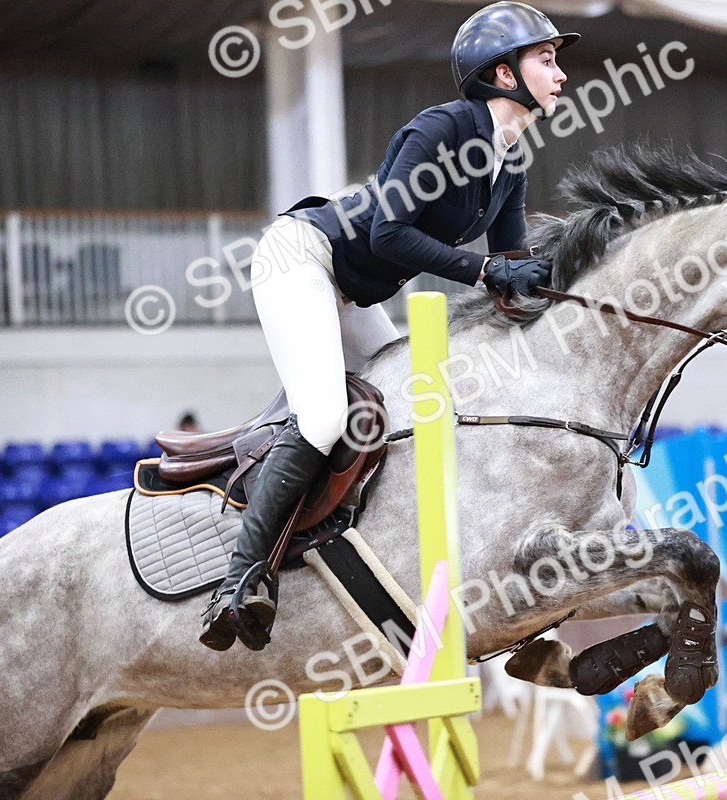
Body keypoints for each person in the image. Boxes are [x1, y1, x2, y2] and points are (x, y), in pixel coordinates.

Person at [200, 1, 580, 652]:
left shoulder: (509, 160)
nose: (562, 75)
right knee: (323, 418)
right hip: (301, 257)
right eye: (546, 59)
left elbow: (508, 266)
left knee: (415, 409)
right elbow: (389, 233)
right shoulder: (442, 128)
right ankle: (238, 582)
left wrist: (558, 286)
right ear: (504, 74)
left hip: (350, 290)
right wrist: (488, 270)